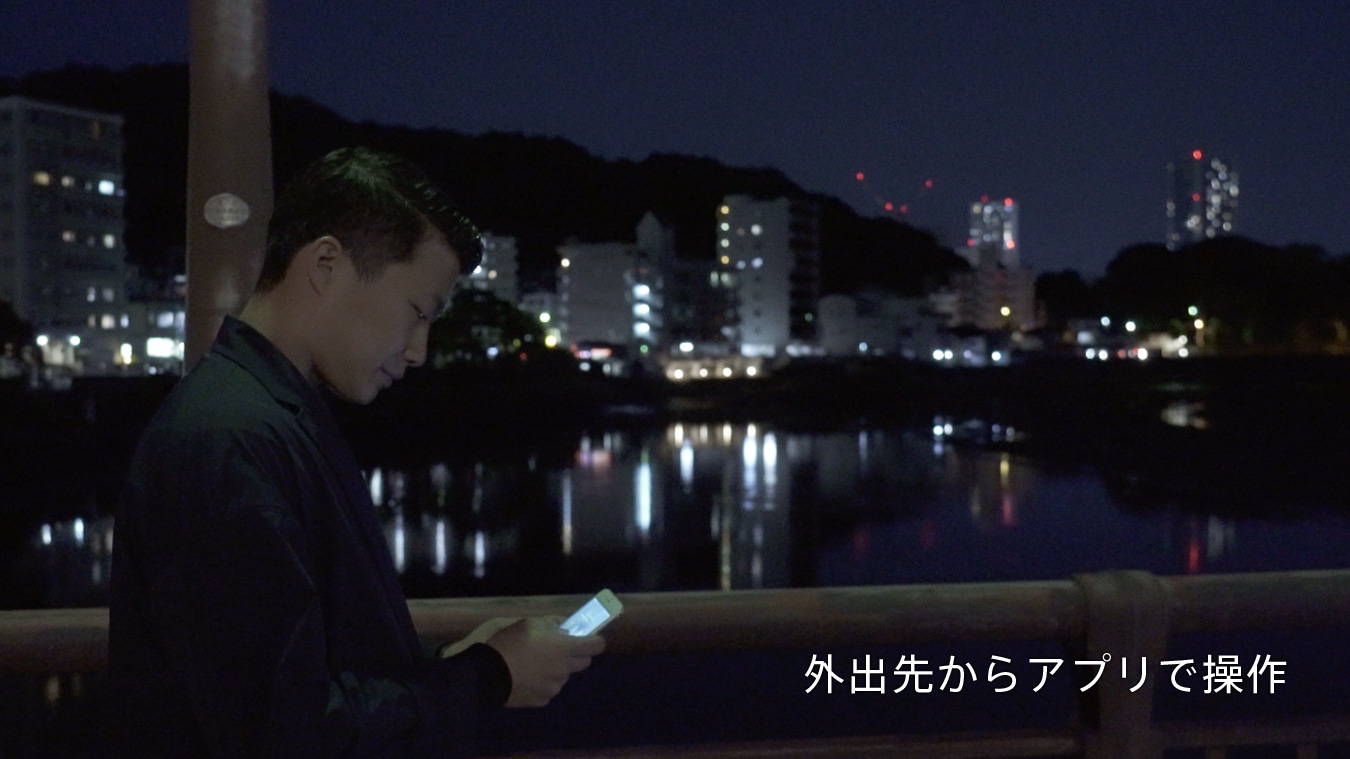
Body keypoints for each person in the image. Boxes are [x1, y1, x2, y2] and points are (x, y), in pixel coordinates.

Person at [108, 147, 605, 758]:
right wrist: (485, 676)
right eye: (417, 312)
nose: (419, 351)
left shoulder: (260, 417)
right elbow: (285, 731)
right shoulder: (227, 440)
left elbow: (303, 675)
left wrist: (455, 665)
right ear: (326, 265)